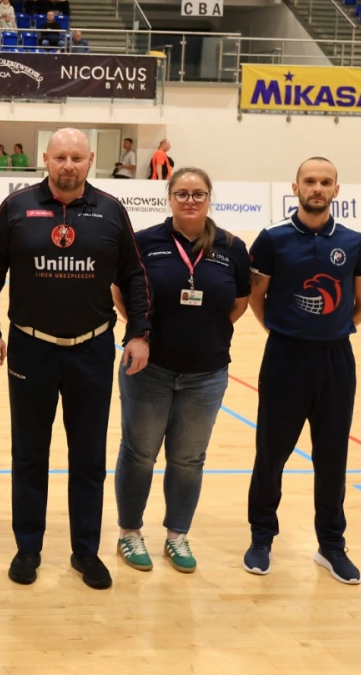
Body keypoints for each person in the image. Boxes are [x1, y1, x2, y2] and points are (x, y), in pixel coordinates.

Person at [0, 127, 151, 590]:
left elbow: (135, 276)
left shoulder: (111, 210)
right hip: (30, 348)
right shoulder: (16, 207)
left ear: (90, 160)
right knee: (29, 454)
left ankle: (85, 552)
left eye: (76, 157)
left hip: (91, 350)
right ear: (46, 159)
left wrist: (139, 333)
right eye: (60, 157)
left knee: (89, 458)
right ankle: (27, 548)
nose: (68, 165)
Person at [244, 157, 361, 585]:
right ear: (295, 187)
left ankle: (331, 545)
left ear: (336, 189)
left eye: (325, 182)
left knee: (333, 456)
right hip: (285, 358)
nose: (317, 188)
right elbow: (256, 297)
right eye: (310, 181)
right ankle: (262, 537)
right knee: (272, 453)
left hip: (336, 361)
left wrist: (332, 330)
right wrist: (282, 332)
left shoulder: (354, 243)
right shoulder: (272, 239)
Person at [113, 168, 250, 575]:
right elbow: (120, 291)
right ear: (169, 197)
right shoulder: (144, 242)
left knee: (189, 459)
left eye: (198, 193)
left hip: (206, 374)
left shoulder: (232, 247)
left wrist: (205, 331)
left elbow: (240, 302)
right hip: (148, 368)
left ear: (209, 198)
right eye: (183, 193)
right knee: (139, 454)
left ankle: (177, 535)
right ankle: (129, 532)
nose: (190, 200)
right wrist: (142, 331)